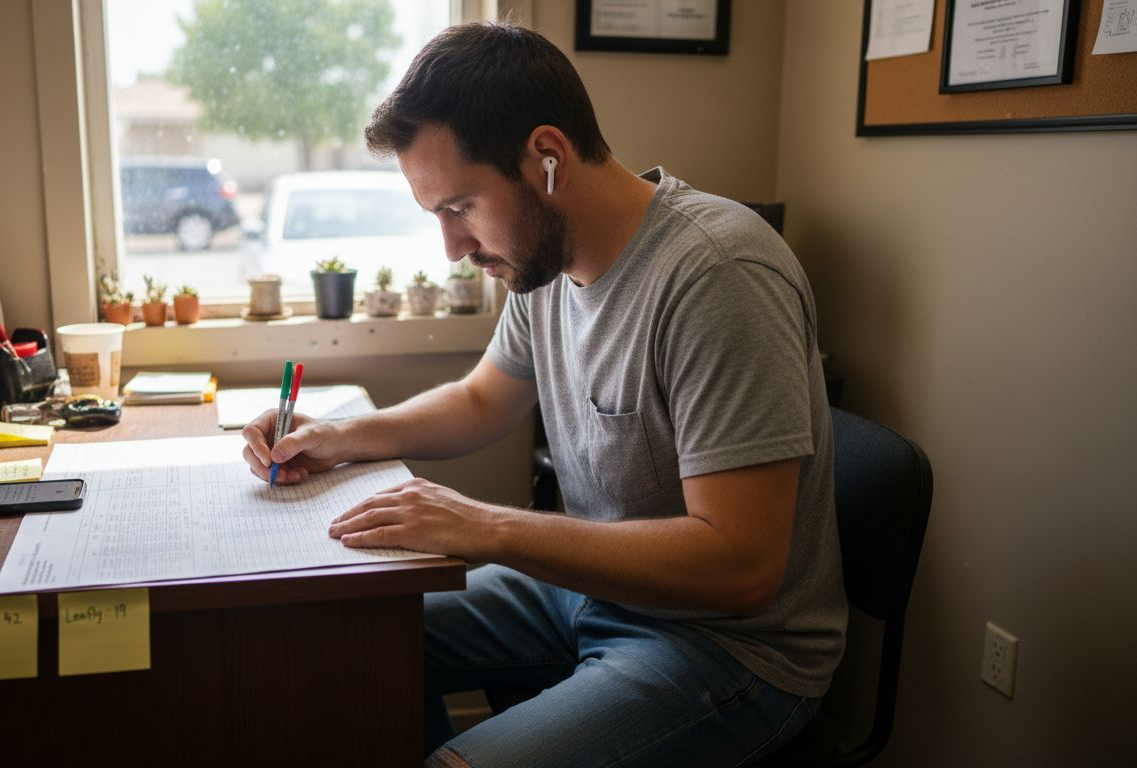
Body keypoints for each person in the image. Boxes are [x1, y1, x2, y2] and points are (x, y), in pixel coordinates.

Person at [241, 22, 846, 768]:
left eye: (460, 207)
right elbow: (481, 401)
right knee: (336, 634)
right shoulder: (544, 263)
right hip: (586, 589)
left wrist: (483, 526)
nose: (453, 249)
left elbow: (741, 567)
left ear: (548, 158)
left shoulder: (719, 275)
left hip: (727, 647)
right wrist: (339, 436)